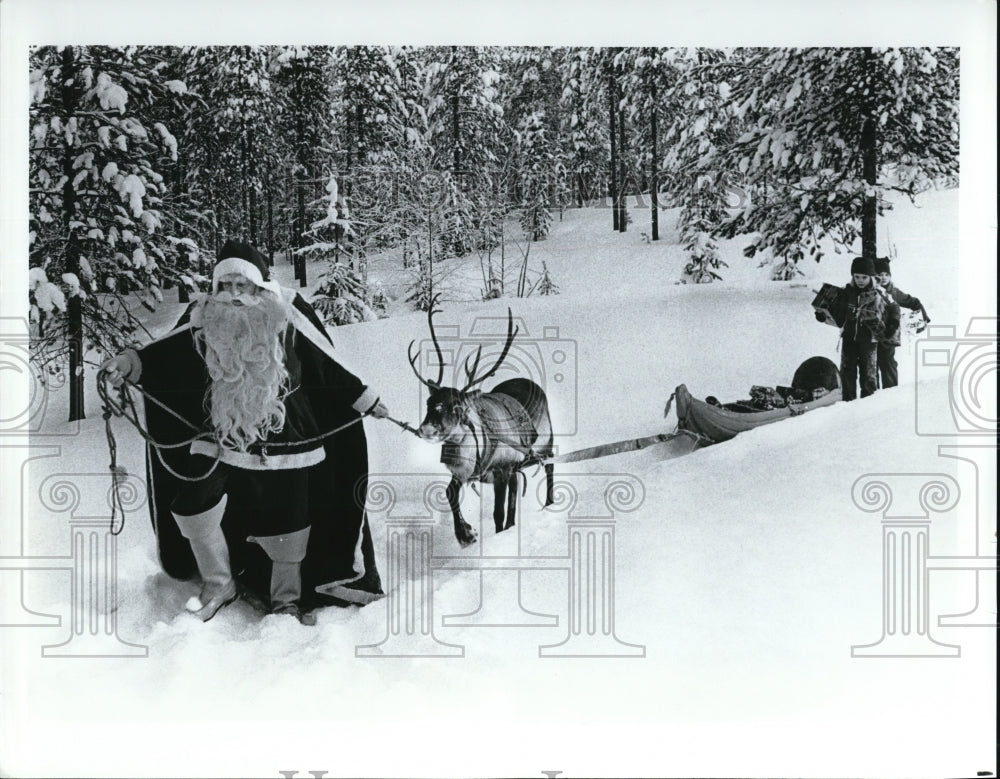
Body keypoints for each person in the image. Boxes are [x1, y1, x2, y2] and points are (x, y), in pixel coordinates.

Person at [101, 240, 389, 625]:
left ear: (258, 287)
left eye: (243, 286)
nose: (234, 295)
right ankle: (219, 583)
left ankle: (285, 599)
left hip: (287, 438)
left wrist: (364, 398)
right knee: (193, 504)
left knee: (291, 518)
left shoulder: (285, 316)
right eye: (226, 286)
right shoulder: (203, 317)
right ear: (216, 288)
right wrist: (129, 363)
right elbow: (163, 354)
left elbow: (326, 366)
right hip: (220, 434)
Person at [814, 256, 899, 401]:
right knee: (847, 372)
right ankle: (848, 403)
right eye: (857, 276)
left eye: (864, 277)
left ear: (871, 277)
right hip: (849, 339)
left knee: (869, 375)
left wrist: (893, 324)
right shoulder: (846, 292)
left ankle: (868, 406)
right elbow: (839, 314)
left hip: (869, 340)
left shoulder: (879, 293)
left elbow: (894, 307)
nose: (860, 280)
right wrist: (823, 315)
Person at [874, 257, 930, 389]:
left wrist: (923, 317)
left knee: (888, 363)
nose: (883, 278)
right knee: (872, 365)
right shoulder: (871, 290)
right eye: (880, 274)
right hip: (872, 333)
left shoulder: (893, 292)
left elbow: (913, 302)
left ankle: (891, 393)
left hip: (889, 334)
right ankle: (872, 398)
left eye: (886, 274)